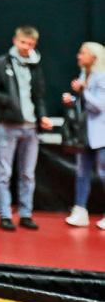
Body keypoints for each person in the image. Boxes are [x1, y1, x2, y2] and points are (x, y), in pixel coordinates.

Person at [0, 25, 53, 231]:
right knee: (3, 173)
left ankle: (26, 214)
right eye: (23, 42)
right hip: (8, 125)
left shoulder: (36, 65)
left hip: (31, 127)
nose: (26, 47)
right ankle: (5, 215)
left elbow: (39, 95)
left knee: (28, 174)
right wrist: (9, 102)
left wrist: (42, 116)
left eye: (31, 44)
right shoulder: (2, 62)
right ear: (15, 41)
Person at [62, 42, 105, 229]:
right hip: (84, 134)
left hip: (101, 135)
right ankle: (80, 211)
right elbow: (84, 104)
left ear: (94, 57)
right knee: (81, 172)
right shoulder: (84, 74)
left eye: (83, 53)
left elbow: (99, 106)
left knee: (103, 173)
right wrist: (72, 100)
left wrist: (82, 91)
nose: (79, 56)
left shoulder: (102, 77)